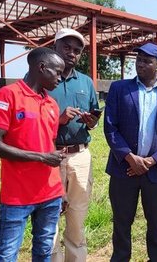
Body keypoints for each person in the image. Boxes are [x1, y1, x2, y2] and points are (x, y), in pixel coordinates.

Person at [0, 47, 66, 261]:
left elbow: (49, 145)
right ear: (41, 67)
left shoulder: (52, 104)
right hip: (17, 196)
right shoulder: (9, 94)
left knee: (43, 251)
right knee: (7, 255)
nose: (61, 78)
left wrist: (61, 191)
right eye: (57, 72)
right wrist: (41, 158)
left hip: (50, 194)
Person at [104, 43, 157, 262]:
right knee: (121, 221)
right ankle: (120, 258)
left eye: (147, 61)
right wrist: (129, 157)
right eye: (138, 60)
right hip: (123, 169)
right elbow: (110, 127)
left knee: (156, 222)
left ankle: (156, 259)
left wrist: (153, 160)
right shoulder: (119, 89)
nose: (141, 64)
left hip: (154, 172)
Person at [49, 28, 100, 262]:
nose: (72, 53)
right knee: (50, 217)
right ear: (55, 47)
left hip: (80, 156)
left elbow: (93, 116)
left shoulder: (86, 82)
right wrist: (59, 119)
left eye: (77, 51)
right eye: (66, 48)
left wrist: (92, 122)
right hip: (50, 155)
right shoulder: (44, 80)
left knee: (77, 217)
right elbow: (34, 121)